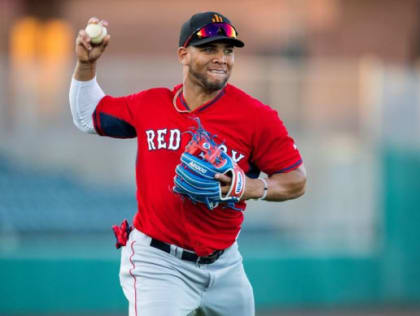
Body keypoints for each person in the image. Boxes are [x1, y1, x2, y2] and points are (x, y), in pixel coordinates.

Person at [69, 11, 307, 316]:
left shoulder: (256, 117)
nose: (222, 58)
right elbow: (87, 116)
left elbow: (296, 179)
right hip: (159, 262)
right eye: (209, 49)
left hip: (225, 265)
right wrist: (86, 65)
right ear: (183, 54)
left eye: (228, 50)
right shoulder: (151, 105)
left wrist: (249, 186)